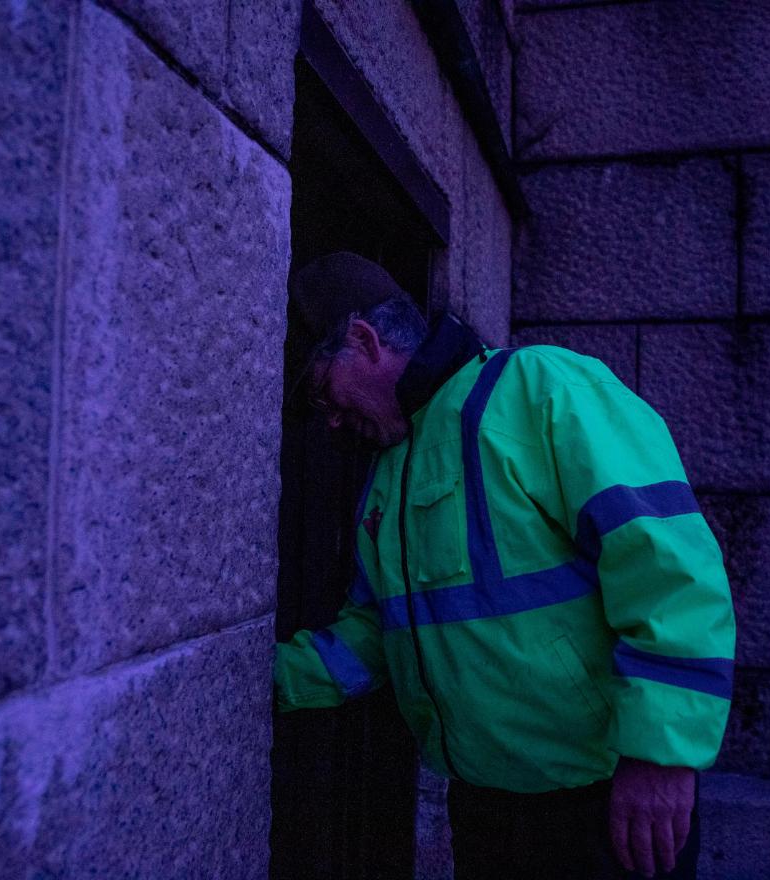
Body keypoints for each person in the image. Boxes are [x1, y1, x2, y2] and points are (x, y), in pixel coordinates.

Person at [274, 252, 736, 880]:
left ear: (364, 340)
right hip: (486, 810)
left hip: (604, 807)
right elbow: (375, 633)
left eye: (323, 387)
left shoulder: (542, 387)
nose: (329, 416)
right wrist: (267, 680)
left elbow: (669, 569)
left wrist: (661, 757)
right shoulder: (388, 475)